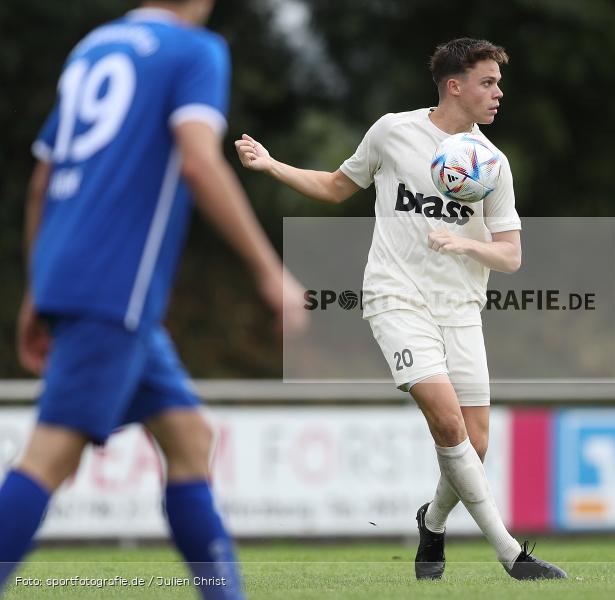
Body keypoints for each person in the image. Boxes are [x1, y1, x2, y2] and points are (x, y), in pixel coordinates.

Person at [0, 2, 306, 597]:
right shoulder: (195, 50)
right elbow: (197, 160)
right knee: (50, 456)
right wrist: (270, 270)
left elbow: (42, 181)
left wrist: (38, 287)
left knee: (190, 437)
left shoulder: (95, 45)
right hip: (117, 285)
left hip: (82, 277)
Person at [235, 38, 565, 581]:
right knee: (446, 419)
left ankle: (431, 524)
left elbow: (511, 255)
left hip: (460, 307)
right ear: (454, 85)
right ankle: (512, 555)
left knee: (473, 443)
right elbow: (337, 187)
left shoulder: (492, 164)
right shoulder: (393, 131)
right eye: (488, 82)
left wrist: (467, 245)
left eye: (499, 84)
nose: (498, 93)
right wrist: (272, 166)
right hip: (395, 298)